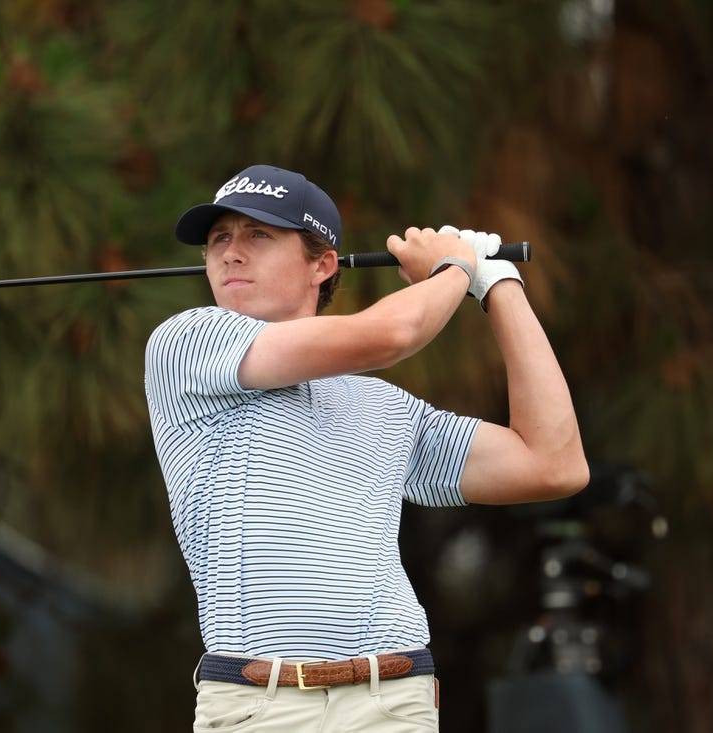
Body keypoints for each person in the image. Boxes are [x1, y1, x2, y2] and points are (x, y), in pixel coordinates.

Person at [144, 164, 589, 732]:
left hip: (391, 701)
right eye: (218, 239)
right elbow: (389, 336)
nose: (231, 253)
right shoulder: (188, 344)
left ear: (322, 264)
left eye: (258, 235)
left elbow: (553, 463)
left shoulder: (384, 409)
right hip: (260, 705)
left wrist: (499, 284)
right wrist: (455, 269)